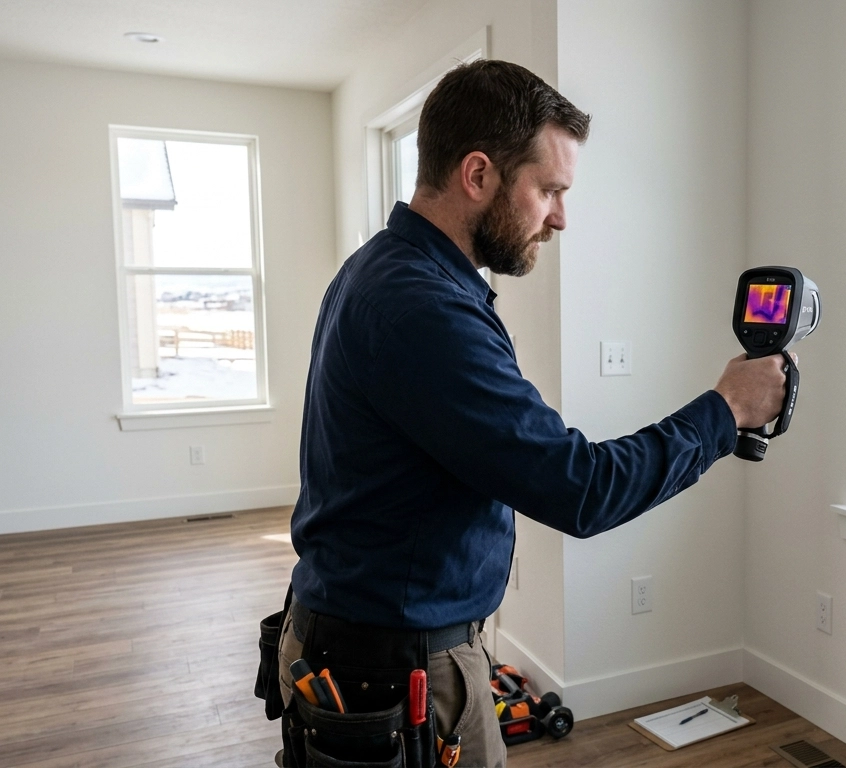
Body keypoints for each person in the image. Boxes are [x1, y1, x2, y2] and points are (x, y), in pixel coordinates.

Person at [274, 59, 787, 767]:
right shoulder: (424, 308)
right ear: (478, 175)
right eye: (548, 189)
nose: (560, 217)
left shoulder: (381, 269)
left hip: (359, 636)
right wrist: (726, 411)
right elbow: (580, 487)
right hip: (393, 665)